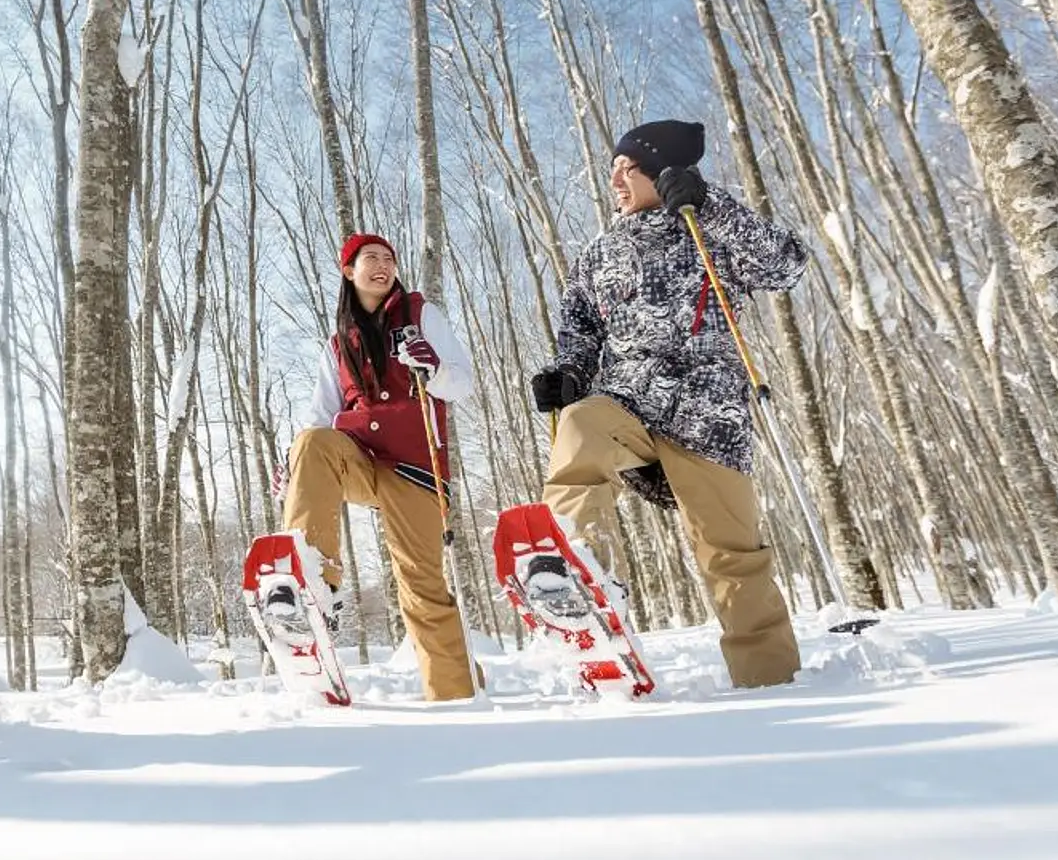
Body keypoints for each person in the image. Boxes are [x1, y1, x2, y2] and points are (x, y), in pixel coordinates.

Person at [530, 119, 806, 688]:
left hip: (709, 417)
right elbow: (579, 330)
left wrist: (712, 204)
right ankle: (575, 569)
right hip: (628, 403)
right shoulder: (599, 254)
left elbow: (786, 266)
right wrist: (567, 374)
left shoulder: (704, 223)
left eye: (628, 169)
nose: (616, 181)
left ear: (663, 171)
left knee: (731, 555)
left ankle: (772, 683)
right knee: (579, 425)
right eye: (611, 171)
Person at [278, 233, 477, 702]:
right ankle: (314, 585)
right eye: (371, 258)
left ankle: (458, 695)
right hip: (361, 458)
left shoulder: (420, 314)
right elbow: (319, 417)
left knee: (420, 586)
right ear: (349, 271)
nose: (382, 265)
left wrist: (434, 369)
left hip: (414, 465)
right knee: (310, 444)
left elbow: (463, 382)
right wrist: (293, 466)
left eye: (389, 258)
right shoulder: (337, 344)